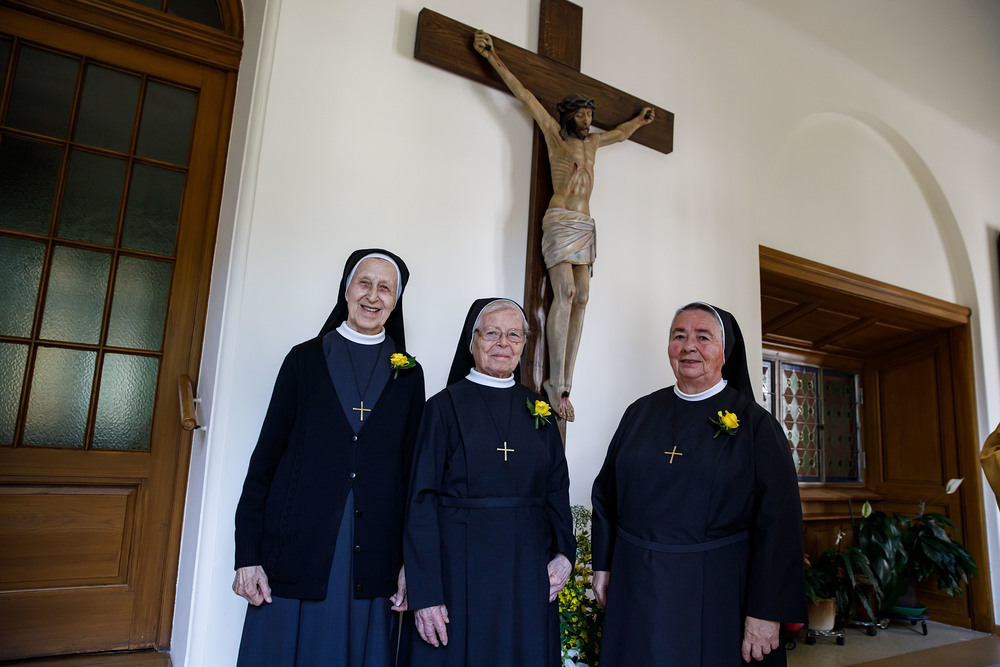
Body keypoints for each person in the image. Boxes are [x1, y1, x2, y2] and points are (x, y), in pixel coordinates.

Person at [232, 249, 425, 666]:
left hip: (373, 563)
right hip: (294, 553)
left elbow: (414, 481)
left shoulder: (409, 375)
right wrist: (247, 555)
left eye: (385, 288)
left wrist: (412, 564)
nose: (372, 295)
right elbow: (264, 462)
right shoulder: (303, 361)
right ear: (346, 289)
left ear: (396, 300)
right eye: (364, 283)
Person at [591, 302, 806, 665]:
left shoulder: (755, 425)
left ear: (725, 350)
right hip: (637, 586)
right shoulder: (639, 413)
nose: (689, 346)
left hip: (718, 593)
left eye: (703, 337)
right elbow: (606, 494)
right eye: (679, 336)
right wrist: (604, 564)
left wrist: (767, 611)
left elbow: (779, 525)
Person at [473, 30, 655, 422]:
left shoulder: (594, 144)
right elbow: (524, 94)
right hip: (559, 219)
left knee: (584, 297)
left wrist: (640, 121)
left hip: (585, 223)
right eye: (582, 114)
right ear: (569, 115)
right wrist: (492, 57)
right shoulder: (555, 136)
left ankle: (566, 380)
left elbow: (621, 133)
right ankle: (554, 379)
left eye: (590, 114)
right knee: (567, 292)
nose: (588, 120)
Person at [402, 298, 575, 666]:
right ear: (473, 340)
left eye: (513, 335)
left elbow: (557, 491)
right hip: (457, 575)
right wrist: (426, 592)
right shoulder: (442, 408)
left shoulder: (540, 412)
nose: (503, 343)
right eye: (492, 333)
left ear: (524, 344)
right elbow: (420, 501)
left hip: (526, 575)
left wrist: (564, 555)